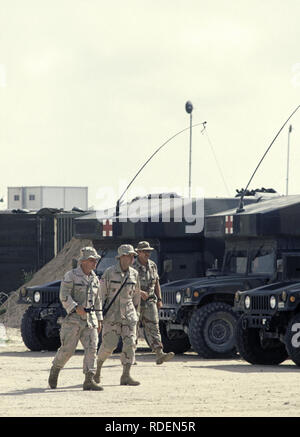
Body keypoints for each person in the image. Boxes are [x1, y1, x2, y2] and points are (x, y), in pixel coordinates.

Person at [48, 247, 103, 391]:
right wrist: (74, 307)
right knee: (67, 350)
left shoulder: (95, 279)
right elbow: (64, 295)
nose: (95, 263)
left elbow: (97, 300)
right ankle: (55, 369)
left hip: (90, 320)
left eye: (96, 260)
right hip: (73, 319)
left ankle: (89, 379)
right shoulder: (71, 275)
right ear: (83, 261)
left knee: (92, 348)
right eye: (92, 260)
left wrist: (99, 318)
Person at [94, 244, 141, 386]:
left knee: (130, 344)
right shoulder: (109, 273)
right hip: (112, 316)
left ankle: (126, 375)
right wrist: (99, 316)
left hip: (129, 314)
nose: (132, 259)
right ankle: (97, 371)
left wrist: (137, 314)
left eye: (133, 256)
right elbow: (100, 296)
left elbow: (136, 295)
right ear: (121, 257)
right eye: (129, 256)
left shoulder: (134, 274)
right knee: (109, 345)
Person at [133, 241, 174, 365]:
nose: (147, 254)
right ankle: (130, 355)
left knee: (154, 327)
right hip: (135, 302)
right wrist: (140, 292)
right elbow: (127, 285)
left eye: (149, 251)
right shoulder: (132, 267)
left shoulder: (153, 266)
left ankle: (159, 354)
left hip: (150, 300)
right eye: (144, 251)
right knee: (132, 328)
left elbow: (156, 283)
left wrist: (159, 299)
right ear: (138, 252)